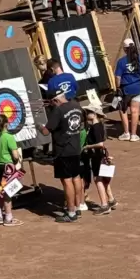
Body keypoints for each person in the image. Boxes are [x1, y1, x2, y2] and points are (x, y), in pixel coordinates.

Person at [38, 90, 85, 223]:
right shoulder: (76, 105)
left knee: (67, 181)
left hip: (63, 151)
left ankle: (70, 212)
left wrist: (39, 127)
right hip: (75, 148)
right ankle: (77, 207)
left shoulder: (58, 111)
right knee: (76, 178)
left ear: (56, 100)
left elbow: (46, 131)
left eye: (52, 102)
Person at [81, 105, 118, 215]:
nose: (86, 115)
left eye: (88, 112)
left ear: (94, 114)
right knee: (103, 179)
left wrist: (87, 147)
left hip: (96, 156)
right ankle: (111, 200)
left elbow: (100, 144)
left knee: (98, 180)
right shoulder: (99, 125)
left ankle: (104, 205)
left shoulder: (95, 127)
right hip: (100, 156)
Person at [0, 115, 22, 227]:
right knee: (8, 192)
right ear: (6, 124)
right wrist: (16, 159)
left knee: (0, 190)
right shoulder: (9, 137)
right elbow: (15, 155)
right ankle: (8, 217)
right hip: (8, 167)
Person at [114, 39, 140, 141]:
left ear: (125, 49)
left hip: (126, 89)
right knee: (135, 111)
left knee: (123, 110)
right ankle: (133, 134)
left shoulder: (121, 61)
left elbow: (118, 77)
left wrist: (118, 87)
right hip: (138, 88)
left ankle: (126, 133)